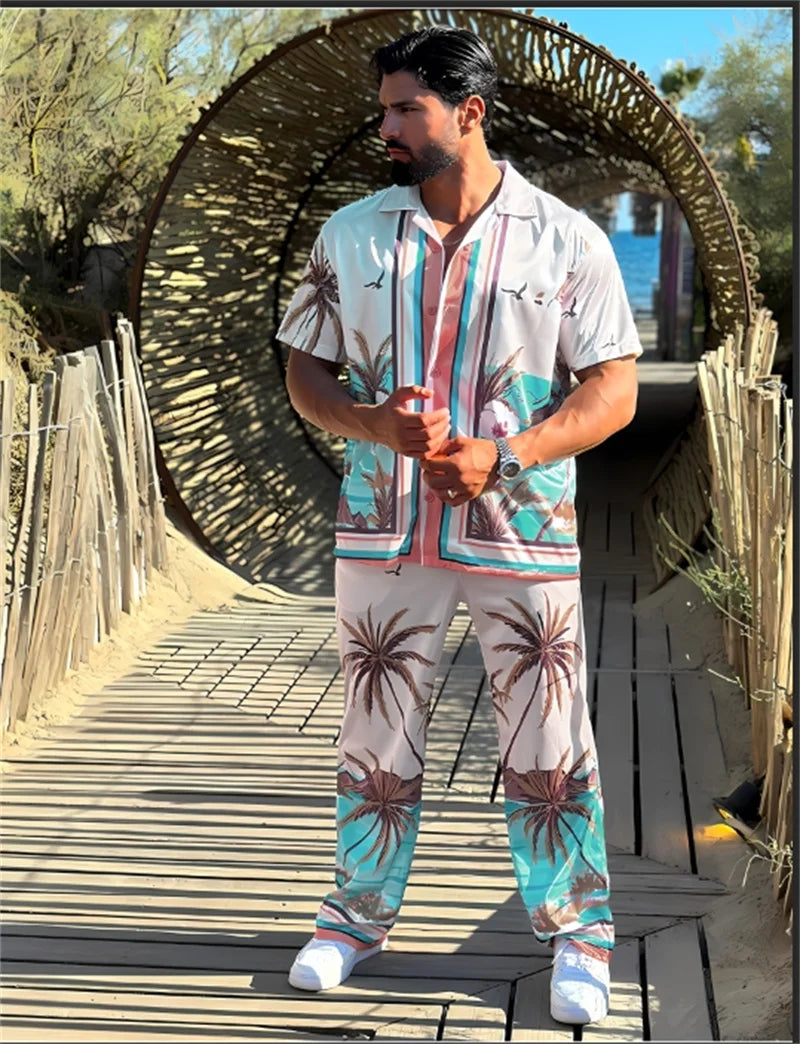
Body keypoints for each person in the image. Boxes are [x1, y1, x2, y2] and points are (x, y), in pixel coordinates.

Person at [277, 25, 640, 1025]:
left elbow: (612, 390)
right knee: (373, 727)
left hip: (521, 528)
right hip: (382, 528)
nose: (386, 127)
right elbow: (304, 369)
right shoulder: (349, 235)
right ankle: (354, 918)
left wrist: (504, 454)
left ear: (469, 112)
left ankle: (578, 934)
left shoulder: (566, 240)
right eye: (383, 108)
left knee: (549, 730)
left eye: (407, 108)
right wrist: (371, 424)